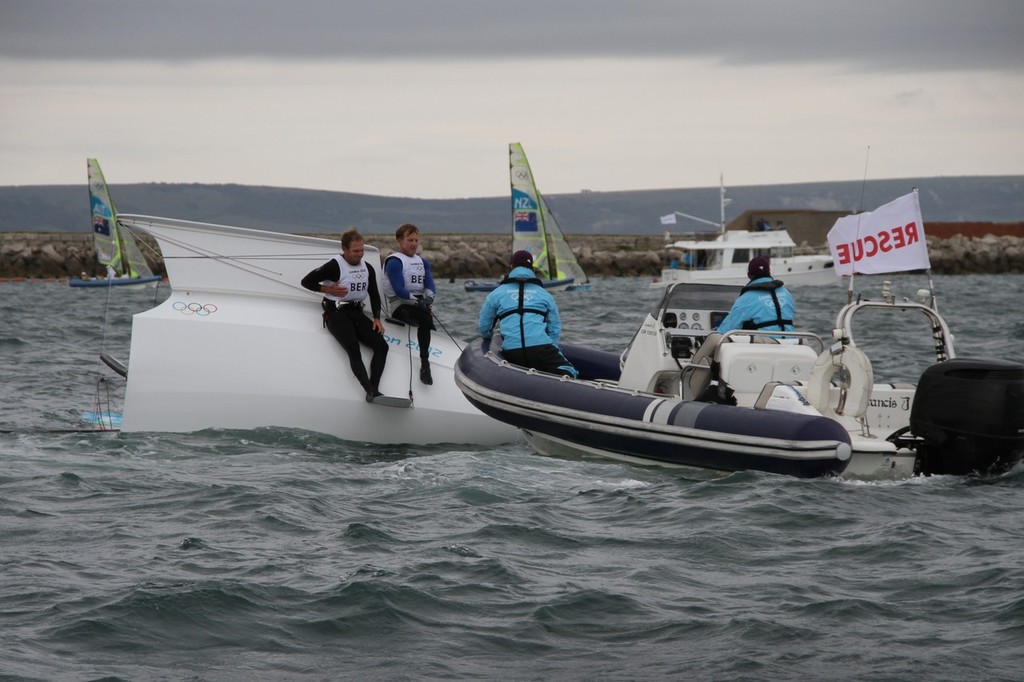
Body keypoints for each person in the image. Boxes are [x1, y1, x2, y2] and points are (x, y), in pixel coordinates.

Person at [301, 228, 389, 403]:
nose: (360, 254)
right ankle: (369, 390)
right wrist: (327, 289)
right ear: (345, 249)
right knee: (353, 349)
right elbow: (306, 281)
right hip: (336, 313)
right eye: (356, 251)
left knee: (382, 346)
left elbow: (374, 294)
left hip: (356, 312)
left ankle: (374, 389)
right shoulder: (334, 266)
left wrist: (377, 318)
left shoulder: (367, 268)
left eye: (362, 250)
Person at [478, 250, 577, 377]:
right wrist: (551, 347)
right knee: (569, 371)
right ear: (532, 268)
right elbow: (554, 328)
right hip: (541, 350)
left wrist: (488, 338)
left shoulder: (496, 293)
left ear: (512, 267)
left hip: (512, 352)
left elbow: (484, 326)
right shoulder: (545, 295)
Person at [382, 223, 436, 385]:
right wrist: (417, 302)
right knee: (425, 319)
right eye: (409, 240)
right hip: (400, 305)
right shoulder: (394, 262)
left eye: (416, 240)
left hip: (419, 304)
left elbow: (430, 285)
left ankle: (426, 355)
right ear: (400, 240)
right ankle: (425, 364)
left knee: (427, 319)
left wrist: (429, 298)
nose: (414, 244)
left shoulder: (423, 263)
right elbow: (399, 290)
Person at [716, 256, 796, 336]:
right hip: (791, 344)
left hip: (764, 345)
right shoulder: (786, 293)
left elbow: (726, 330)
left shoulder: (745, 299)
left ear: (749, 275)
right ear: (769, 272)